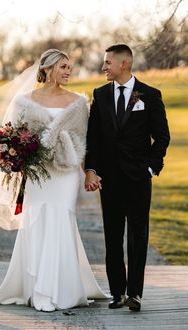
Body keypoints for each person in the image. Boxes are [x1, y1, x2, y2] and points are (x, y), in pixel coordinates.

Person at [0, 49, 109, 312]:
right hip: (37, 175)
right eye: (64, 66)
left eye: (70, 67)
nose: (68, 71)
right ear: (48, 69)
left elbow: (85, 142)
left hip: (65, 173)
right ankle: (35, 287)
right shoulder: (23, 102)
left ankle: (62, 290)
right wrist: (15, 155)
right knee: (38, 219)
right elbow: (10, 135)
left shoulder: (79, 103)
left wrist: (88, 170)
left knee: (62, 217)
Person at [84, 44, 170, 312]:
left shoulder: (149, 95)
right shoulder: (100, 95)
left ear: (123, 64)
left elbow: (162, 136)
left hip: (138, 179)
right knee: (112, 237)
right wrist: (92, 169)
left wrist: (150, 167)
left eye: (107, 62)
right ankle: (117, 293)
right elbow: (94, 138)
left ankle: (135, 293)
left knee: (138, 235)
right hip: (109, 180)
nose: (103, 67)